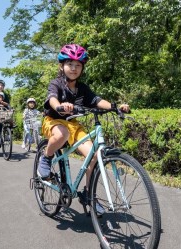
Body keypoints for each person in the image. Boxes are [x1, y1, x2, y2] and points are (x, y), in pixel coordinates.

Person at [37, 44, 130, 214]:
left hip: (74, 125)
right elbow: (52, 99)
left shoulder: (83, 88)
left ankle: (89, 194)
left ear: (82, 68)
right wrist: (59, 107)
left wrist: (115, 107)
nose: (74, 68)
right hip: (53, 120)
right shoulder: (56, 84)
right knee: (62, 134)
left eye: (78, 65)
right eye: (70, 64)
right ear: (62, 66)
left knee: (94, 154)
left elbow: (96, 100)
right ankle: (46, 157)